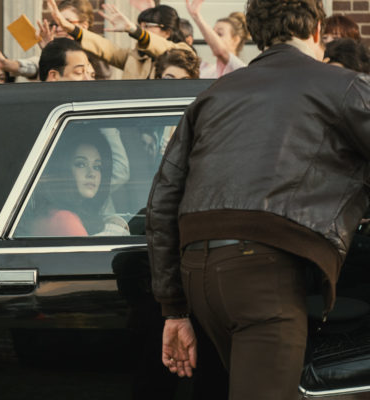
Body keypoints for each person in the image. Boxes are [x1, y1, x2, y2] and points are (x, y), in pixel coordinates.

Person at [146, 0, 370, 399]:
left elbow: (163, 200)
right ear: (317, 30)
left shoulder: (214, 94)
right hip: (264, 272)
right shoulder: (345, 86)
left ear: (256, 34)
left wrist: (174, 309)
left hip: (199, 274)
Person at [48, 0, 194, 79]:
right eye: (140, 26)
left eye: (147, 26)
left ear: (167, 32)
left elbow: (169, 51)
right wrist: (71, 28)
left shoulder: (184, 53)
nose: (142, 30)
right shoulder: (135, 57)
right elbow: (108, 49)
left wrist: (133, 30)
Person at [22, 131, 128, 236]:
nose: (92, 174)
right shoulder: (65, 220)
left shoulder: (51, 213)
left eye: (97, 167)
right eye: (80, 164)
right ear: (63, 170)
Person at [185, 0, 249, 78]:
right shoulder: (206, 69)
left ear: (235, 40)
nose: (212, 39)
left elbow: (221, 52)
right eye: (212, 34)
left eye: (219, 34)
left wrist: (196, 16)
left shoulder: (240, 68)